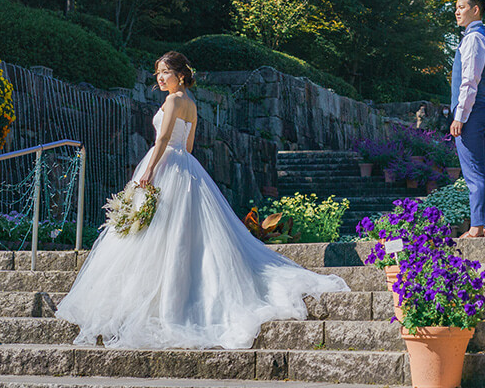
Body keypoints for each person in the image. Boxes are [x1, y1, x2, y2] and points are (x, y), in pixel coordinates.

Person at [56, 51, 349, 349]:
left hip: (165, 164)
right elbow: (190, 144)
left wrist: (150, 170)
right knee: (181, 236)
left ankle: (157, 301)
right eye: (157, 72)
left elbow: (162, 139)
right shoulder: (192, 104)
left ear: (180, 75)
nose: (159, 78)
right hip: (186, 166)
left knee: (155, 234)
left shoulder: (172, 100)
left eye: (165, 72)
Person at [449, 0, 485, 238]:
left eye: (461, 7)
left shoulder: (473, 38)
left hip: (473, 111)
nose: (457, 11)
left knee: (473, 171)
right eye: (456, 7)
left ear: (475, 9)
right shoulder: (479, 36)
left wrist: (459, 116)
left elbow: (469, 80)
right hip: (482, 108)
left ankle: (477, 226)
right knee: (482, 169)